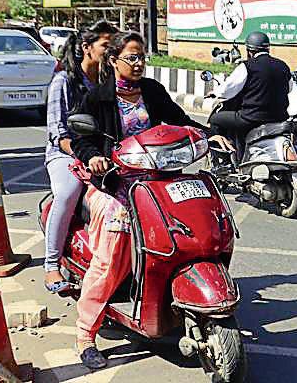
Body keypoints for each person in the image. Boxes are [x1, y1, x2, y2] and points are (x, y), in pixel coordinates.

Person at [72, 31, 230, 369]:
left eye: (142, 56)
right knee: (111, 253)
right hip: (113, 184)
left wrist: (207, 133)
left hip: (158, 179)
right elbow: (82, 139)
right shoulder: (98, 99)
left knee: (194, 223)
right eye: (131, 57)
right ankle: (86, 333)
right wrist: (94, 158)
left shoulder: (153, 92)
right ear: (113, 61)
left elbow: (179, 121)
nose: (139, 62)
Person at [43, 20, 118, 294]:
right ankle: (51, 265)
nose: (111, 54)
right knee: (68, 192)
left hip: (103, 154)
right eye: (106, 47)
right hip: (65, 155)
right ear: (87, 48)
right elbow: (58, 133)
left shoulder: (108, 82)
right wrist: (85, 155)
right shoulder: (63, 81)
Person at [208, 31, 291, 158]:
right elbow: (289, 88)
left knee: (216, 119)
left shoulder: (247, 66)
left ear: (249, 51)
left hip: (251, 118)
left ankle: (223, 159)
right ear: (268, 49)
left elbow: (227, 90)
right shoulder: (283, 65)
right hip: (279, 117)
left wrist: (215, 93)